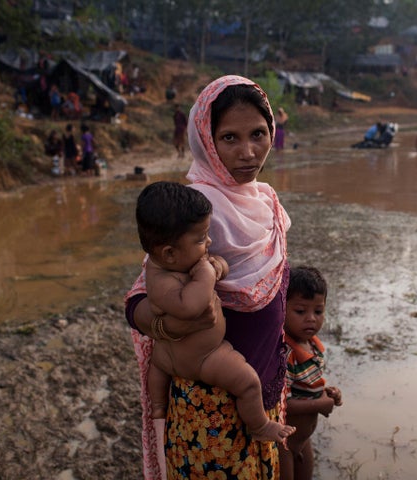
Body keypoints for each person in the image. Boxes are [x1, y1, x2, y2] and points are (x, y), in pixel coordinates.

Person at [125, 75, 292, 479]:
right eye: (229, 138)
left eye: (258, 133)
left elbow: (276, 292)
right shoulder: (197, 211)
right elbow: (138, 302)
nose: (248, 152)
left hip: (263, 380)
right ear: (205, 140)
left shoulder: (265, 200)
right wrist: (167, 321)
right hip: (211, 401)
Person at [135, 181, 295, 445]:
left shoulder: (179, 261)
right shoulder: (162, 280)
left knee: (159, 366)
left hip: (170, 355)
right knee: (247, 382)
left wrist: (218, 266)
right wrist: (207, 274)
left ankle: (160, 407)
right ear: (169, 253)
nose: (209, 242)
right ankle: (258, 425)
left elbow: (215, 271)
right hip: (203, 357)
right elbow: (191, 306)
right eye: (201, 239)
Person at [278, 266, 342, 480]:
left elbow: (306, 386)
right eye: (300, 311)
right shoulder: (286, 354)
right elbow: (281, 405)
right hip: (285, 443)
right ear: (282, 309)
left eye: (318, 311)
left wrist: (327, 393)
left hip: (303, 439)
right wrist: (319, 405)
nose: (311, 319)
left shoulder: (314, 346)